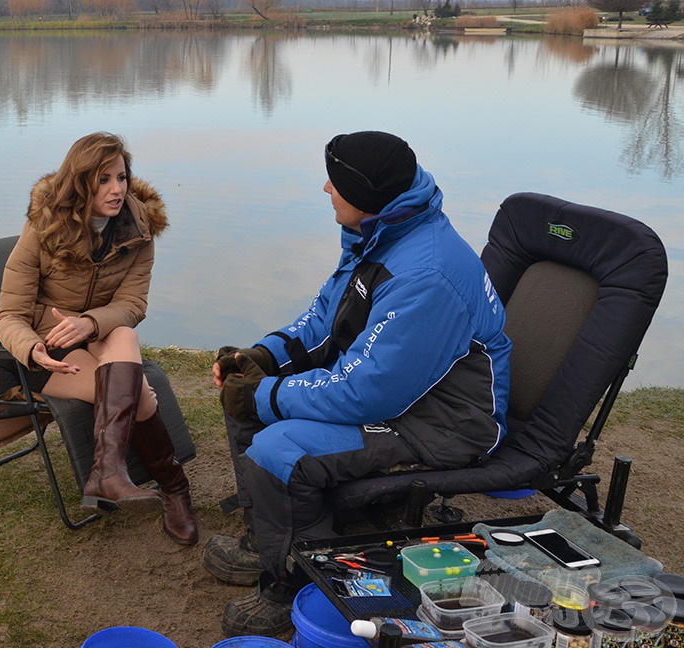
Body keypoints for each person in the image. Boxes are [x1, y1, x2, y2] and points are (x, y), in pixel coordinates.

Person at [205, 130, 511, 638]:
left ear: (368, 197)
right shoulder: (383, 231)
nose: (326, 188)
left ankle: (294, 582)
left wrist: (264, 396)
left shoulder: (425, 275)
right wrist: (260, 357)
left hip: (443, 422)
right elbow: (327, 317)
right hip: (400, 394)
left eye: (337, 182)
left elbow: (365, 392)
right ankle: (266, 536)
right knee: (246, 388)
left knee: (279, 447)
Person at [0, 132, 198, 545]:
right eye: (103, 179)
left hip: (101, 333)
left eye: (121, 177)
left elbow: (132, 304)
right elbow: (7, 316)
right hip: (46, 347)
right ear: (81, 180)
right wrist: (33, 349)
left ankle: (108, 475)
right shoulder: (42, 227)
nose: (117, 189)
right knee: (139, 396)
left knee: (121, 329)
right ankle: (173, 488)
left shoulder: (139, 231)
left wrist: (89, 323)